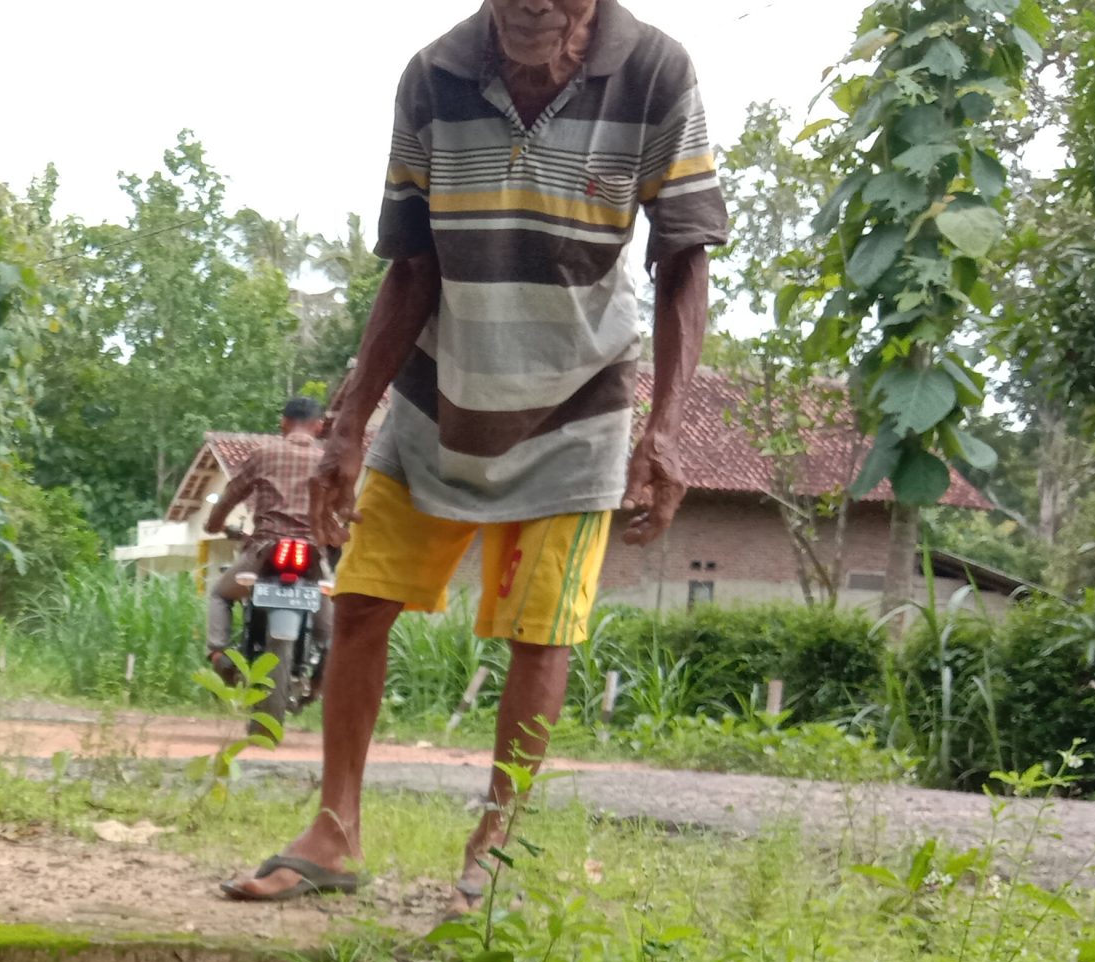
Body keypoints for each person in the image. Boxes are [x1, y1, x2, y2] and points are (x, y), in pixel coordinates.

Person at [222, 0, 727, 904]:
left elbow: (684, 255)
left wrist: (665, 431)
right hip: (435, 394)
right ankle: (335, 830)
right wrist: (351, 425)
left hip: (580, 405)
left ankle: (494, 843)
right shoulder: (433, 73)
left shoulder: (655, 70)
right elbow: (410, 263)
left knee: (540, 630)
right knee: (366, 600)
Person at [202, 395, 329, 670]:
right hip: (312, 551)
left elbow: (230, 495)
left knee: (220, 594)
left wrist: (213, 524)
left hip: (265, 548)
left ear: (284, 423)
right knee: (323, 592)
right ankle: (329, 652)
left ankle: (219, 654)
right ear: (318, 426)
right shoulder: (328, 462)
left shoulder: (264, 454)